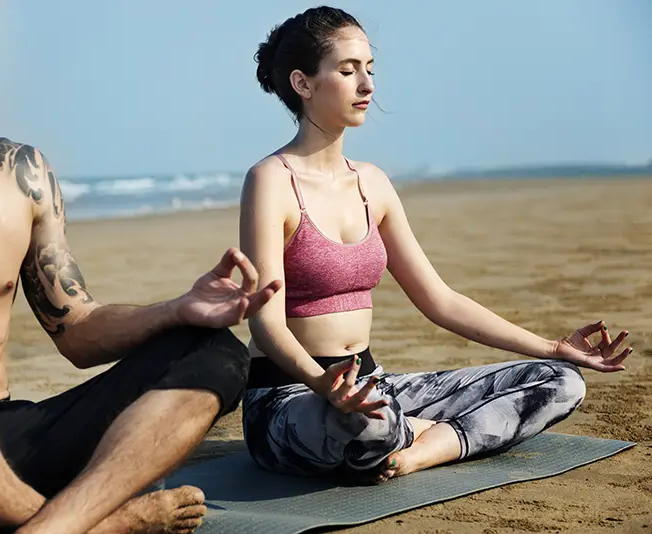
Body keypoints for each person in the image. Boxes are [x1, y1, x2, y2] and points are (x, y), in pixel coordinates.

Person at [0, 0, 282, 532]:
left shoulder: (21, 172)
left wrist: (177, 311)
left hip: (3, 435)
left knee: (212, 352)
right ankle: (109, 524)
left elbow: (76, 331)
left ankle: (50, 524)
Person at [238, 6, 632, 485]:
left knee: (559, 381)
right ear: (303, 83)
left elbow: (439, 300)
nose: (367, 85)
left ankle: (425, 450)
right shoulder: (270, 182)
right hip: (290, 397)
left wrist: (552, 347)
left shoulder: (373, 184)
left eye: (369, 69)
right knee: (368, 424)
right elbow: (266, 320)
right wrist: (323, 384)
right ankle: (438, 436)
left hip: (369, 383)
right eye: (347, 70)